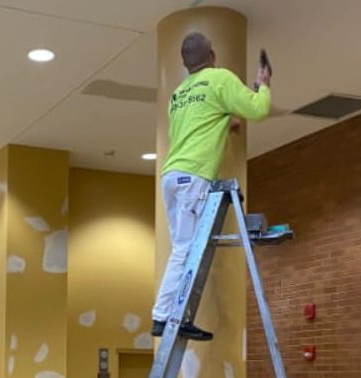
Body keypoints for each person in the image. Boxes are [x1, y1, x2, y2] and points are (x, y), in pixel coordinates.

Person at [151, 31, 272, 341]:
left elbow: (197, 125)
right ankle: (163, 316)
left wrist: (225, 123)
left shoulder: (178, 94)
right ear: (213, 55)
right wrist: (264, 85)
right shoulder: (219, 79)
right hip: (194, 175)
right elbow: (258, 110)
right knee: (184, 249)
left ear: (184, 63)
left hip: (171, 176)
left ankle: (175, 315)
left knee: (184, 247)